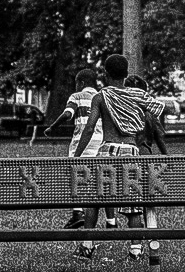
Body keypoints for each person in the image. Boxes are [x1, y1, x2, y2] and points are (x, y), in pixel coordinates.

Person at [72, 54, 165, 260]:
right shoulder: (135, 96)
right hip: (131, 152)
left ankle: (87, 245)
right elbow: (156, 110)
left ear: (105, 74)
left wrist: (76, 156)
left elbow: (88, 129)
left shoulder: (101, 97)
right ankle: (135, 249)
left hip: (107, 152)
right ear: (126, 74)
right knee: (132, 205)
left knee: (94, 201)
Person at [43, 68, 106, 229]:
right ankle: (109, 220)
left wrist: (52, 127)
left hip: (81, 142)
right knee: (96, 180)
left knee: (76, 176)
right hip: (100, 143)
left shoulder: (77, 96)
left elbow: (67, 114)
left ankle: (77, 213)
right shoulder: (102, 97)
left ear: (81, 82)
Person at [122, 74, 168, 259]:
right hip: (147, 158)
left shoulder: (123, 111)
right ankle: (153, 246)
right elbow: (160, 137)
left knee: (133, 207)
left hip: (130, 160)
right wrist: (167, 158)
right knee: (149, 205)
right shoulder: (150, 113)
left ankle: (135, 248)